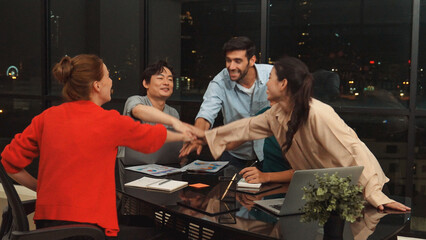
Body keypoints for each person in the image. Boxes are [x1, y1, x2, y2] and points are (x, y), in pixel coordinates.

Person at [0, 54, 194, 239]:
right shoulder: (107, 120)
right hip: (88, 231)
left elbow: (9, 163)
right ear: (97, 85)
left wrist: (41, 189)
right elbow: (149, 135)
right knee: (171, 234)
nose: (112, 82)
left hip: (48, 228)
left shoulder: (47, 117)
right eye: (108, 76)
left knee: (144, 222)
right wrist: (189, 133)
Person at [189, 56, 410, 212]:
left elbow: (353, 154)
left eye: (272, 78)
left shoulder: (318, 113)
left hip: (365, 188)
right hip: (329, 192)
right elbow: (245, 127)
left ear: (283, 84)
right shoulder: (276, 113)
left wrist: (375, 195)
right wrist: (203, 136)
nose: (266, 82)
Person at [180, 36, 273, 168]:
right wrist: (198, 136)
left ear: (252, 60)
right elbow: (206, 113)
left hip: (268, 154)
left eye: (237, 61)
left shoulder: (272, 75)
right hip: (234, 154)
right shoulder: (220, 82)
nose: (231, 66)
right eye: (228, 60)